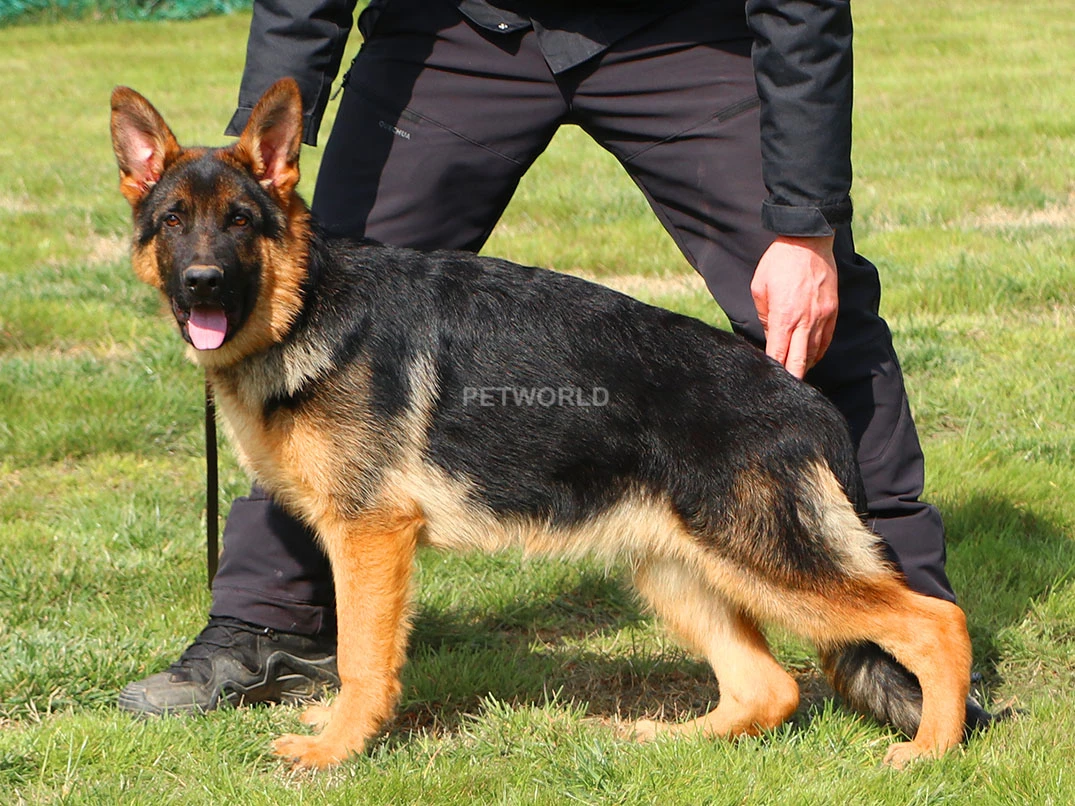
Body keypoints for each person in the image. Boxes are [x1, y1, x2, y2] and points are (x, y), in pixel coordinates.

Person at [119, 0, 958, 715]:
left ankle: (899, 633)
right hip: (455, 30)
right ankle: (268, 624)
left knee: (819, 309)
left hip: (679, 30)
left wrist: (804, 218)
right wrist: (234, 167)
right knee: (317, 310)